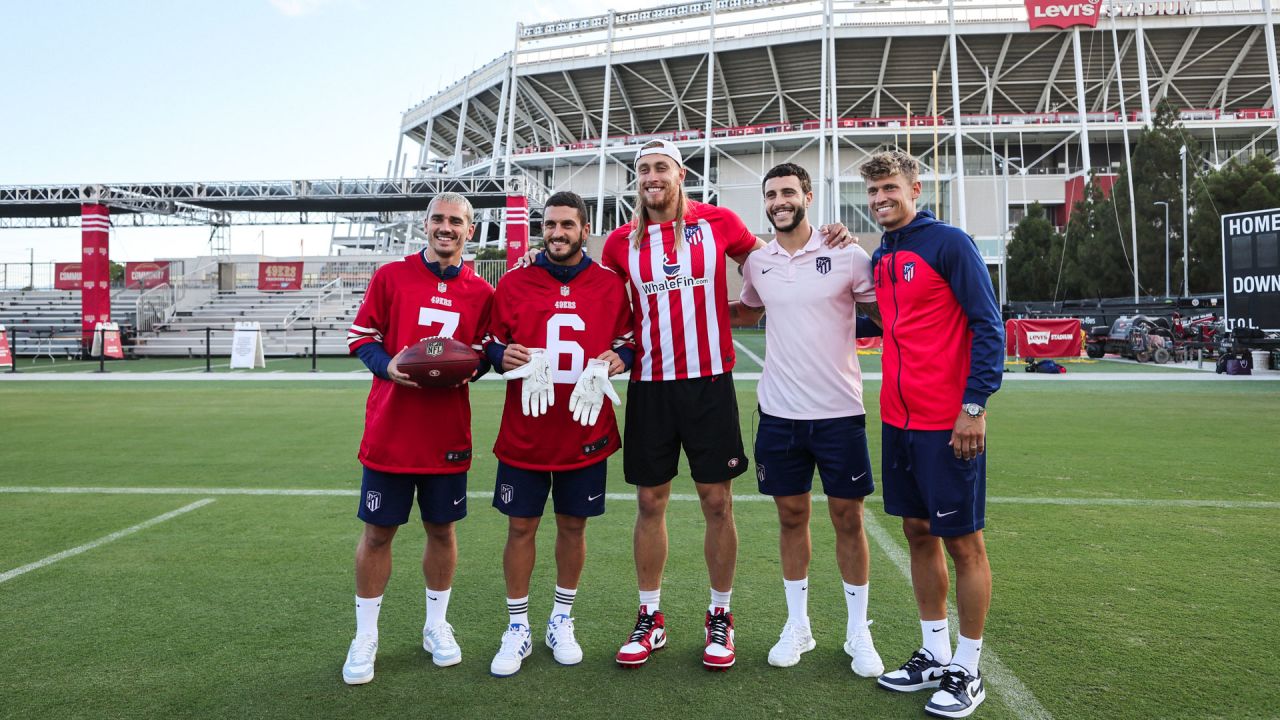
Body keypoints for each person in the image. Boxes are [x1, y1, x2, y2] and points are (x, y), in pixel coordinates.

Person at [601, 139, 855, 671]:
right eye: (643, 169)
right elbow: (611, 307)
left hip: (709, 384)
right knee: (650, 502)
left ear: (680, 174)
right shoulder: (620, 241)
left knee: (717, 502)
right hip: (650, 384)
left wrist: (831, 236)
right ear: (637, 178)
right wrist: (618, 350)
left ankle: (721, 616)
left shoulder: (719, 223)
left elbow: (777, 258)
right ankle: (651, 617)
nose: (652, 176)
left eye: (661, 168)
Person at [860, 150, 1003, 719]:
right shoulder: (881, 254)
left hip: (949, 423)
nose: (879, 199)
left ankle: (967, 668)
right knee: (917, 531)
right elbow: (886, 325)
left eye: (889, 188)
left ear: (915, 187)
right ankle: (935, 651)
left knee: (963, 543)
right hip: (897, 419)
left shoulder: (949, 243)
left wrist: (974, 405)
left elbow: (987, 324)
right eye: (872, 191)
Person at [729, 162, 885, 676]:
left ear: (808, 197)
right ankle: (799, 624)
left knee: (848, 519)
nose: (779, 201)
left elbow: (887, 309)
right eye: (771, 194)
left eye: (788, 192)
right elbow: (747, 311)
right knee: (791, 517)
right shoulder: (758, 261)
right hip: (779, 414)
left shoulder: (845, 252)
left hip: (840, 413)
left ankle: (857, 630)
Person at [341, 192, 494, 685]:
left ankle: (435, 625)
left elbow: (483, 355)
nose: (446, 227)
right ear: (425, 225)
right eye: (438, 219)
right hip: (391, 428)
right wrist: (390, 367)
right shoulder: (392, 276)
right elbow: (360, 337)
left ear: (470, 231)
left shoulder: (481, 293)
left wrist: (472, 369)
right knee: (378, 532)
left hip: (446, 431)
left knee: (442, 531)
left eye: (456, 221)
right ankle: (366, 634)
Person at [481, 191, 635, 677]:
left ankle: (562, 617)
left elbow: (628, 341)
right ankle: (517, 625)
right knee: (520, 526)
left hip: (584, 427)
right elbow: (489, 339)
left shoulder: (610, 285)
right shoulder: (514, 281)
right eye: (549, 225)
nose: (557, 233)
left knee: (573, 526)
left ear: (584, 229)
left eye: (567, 225)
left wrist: (618, 359)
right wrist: (497, 355)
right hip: (526, 429)